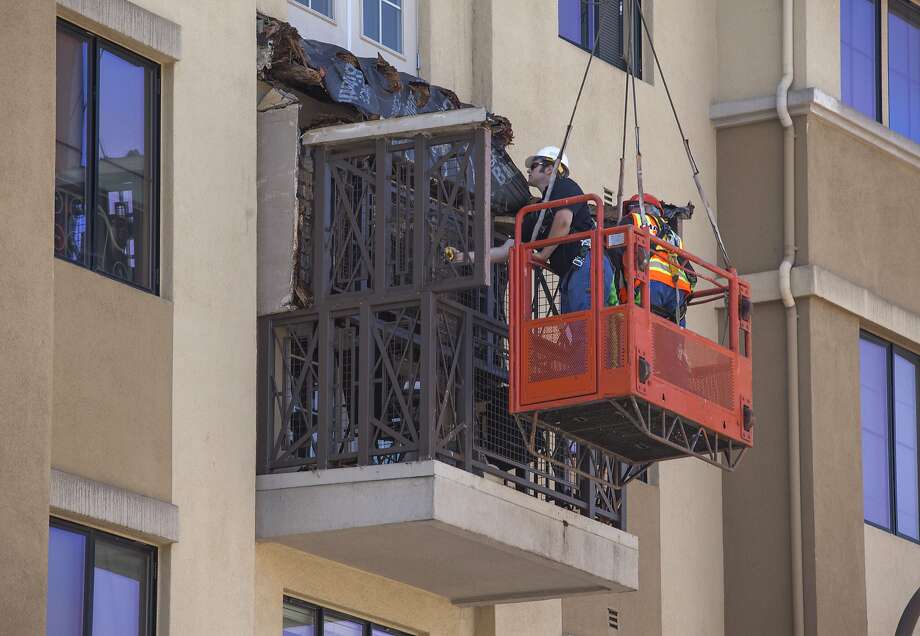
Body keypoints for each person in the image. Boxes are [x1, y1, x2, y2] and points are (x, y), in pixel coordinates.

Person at [615, 193, 696, 326]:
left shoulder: (633, 220)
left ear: (640, 207)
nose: (630, 211)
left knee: (641, 333)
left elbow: (614, 253)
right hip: (678, 291)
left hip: (650, 284)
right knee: (674, 341)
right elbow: (690, 273)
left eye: (632, 207)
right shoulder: (674, 236)